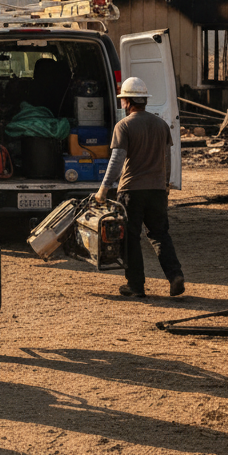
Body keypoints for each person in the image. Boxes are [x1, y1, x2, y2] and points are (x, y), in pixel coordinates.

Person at [94, 76, 185, 298]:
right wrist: (166, 183)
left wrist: (104, 188)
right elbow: (167, 158)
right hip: (157, 190)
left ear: (127, 102)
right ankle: (175, 276)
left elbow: (117, 160)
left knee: (131, 238)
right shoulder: (161, 124)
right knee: (160, 234)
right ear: (144, 100)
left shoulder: (124, 125)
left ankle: (136, 286)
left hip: (132, 191)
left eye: (123, 99)